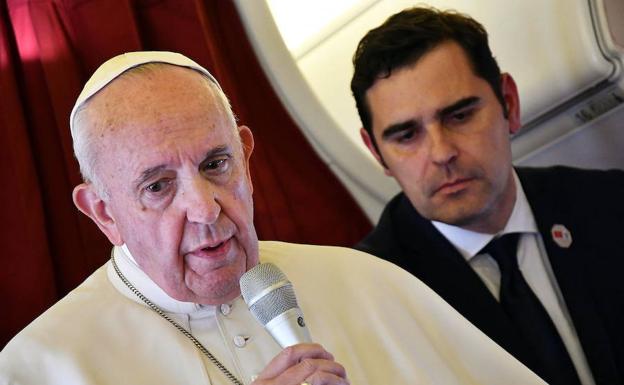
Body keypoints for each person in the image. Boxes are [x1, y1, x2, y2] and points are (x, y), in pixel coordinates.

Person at [0, 51, 545, 385]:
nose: (205, 208)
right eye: (159, 186)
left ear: (246, 156)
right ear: (104, 214)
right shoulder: (41, 367)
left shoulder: (364, 281)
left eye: (216, 165)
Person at [351, 6, 624, 385]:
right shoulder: (373, 296)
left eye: (459, 116)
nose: (441, 152)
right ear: (376, 152)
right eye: (407, 135)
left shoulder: (608, 206)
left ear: (508, 103)